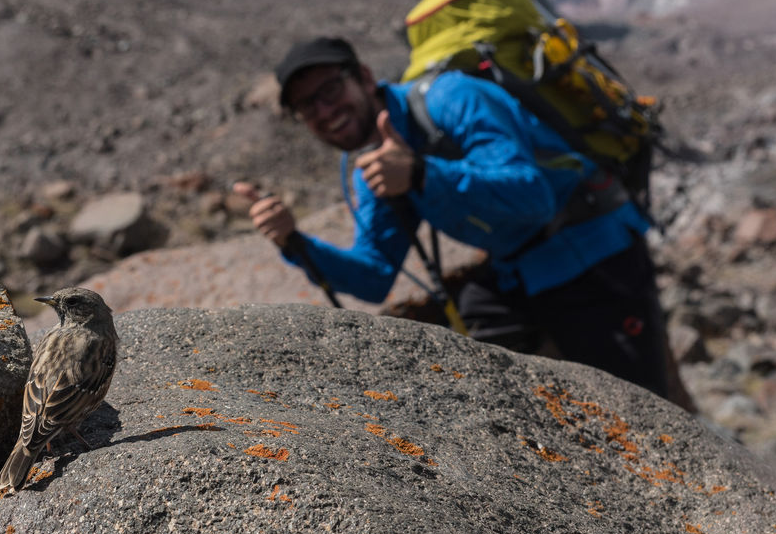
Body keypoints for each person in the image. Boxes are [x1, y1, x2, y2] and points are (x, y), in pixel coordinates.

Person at [234, 36, 671, 399]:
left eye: (330, 91)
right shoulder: (374, 168)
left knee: (638, 402)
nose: (325, 112)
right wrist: (295, 242)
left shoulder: (452, 98)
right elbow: (374, 276)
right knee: (481, 380)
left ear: (364, 78)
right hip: (520, 272)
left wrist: (423, 174)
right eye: (307, 108)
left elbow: (533, 194)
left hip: (594, 252)